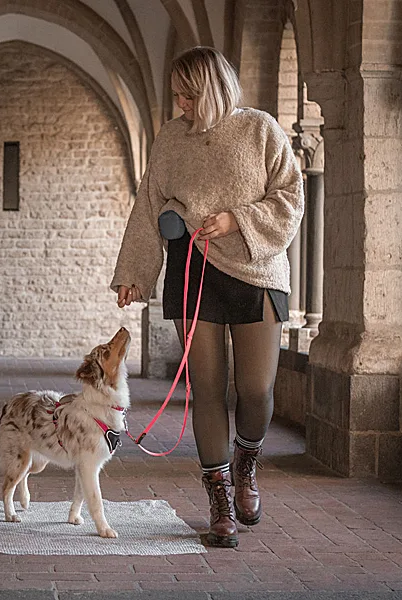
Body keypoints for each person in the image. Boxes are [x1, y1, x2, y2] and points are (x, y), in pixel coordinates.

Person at [111, 47, 303, 548]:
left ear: (214, 89)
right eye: (177, 93)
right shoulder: (172, 138)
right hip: (193, 269)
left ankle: (246, 462)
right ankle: (219, 500)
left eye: (189, 93)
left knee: (257, 390)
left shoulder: (260, 129)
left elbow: (290, 196)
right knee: (208, 389)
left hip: (257, 270)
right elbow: (149, 202)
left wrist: (235, 219)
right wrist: (134, 272)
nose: (181, 103)